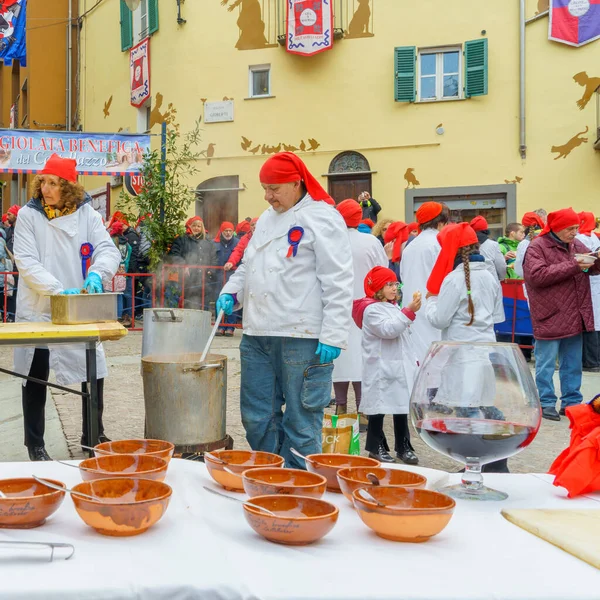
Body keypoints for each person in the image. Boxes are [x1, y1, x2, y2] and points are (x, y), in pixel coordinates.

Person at [216, 152, 353, 469]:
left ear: (296, 183)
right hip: (257, 334)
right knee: (256, 415)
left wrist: (333, 334)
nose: (268, 196)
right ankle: (270, 472)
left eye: (274, 188)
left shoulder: (322, 218)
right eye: (265, 188)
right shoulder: (265, 219)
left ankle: (299, 483)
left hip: (300, 335)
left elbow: (338, 280)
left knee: (301, 419)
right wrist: (231, 292)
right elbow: (248, 267)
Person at [13, 153, 121, 460]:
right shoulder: (28, 216)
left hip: (78, 312)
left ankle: (92, 437)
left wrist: (98, 274)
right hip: (39, 309)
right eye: (43, 182)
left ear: (68, 187)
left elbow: (106, 250)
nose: (45, 189)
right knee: (35, 378)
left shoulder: (88, 215)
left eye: (53, 183)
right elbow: (27, 261)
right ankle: (36, 445)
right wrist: (59, 291)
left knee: (93, 373)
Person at [425, 222, 508, 472]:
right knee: (484, 404)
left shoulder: (454, 279)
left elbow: (440, 318)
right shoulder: (490, 276)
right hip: (484, 350)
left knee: (467, 411)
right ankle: (497, 459)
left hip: (462, 352)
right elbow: (497, 316)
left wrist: (432, 302)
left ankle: (477, 463)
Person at [523, 208, 600, 421]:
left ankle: (571, 402)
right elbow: (537, 276)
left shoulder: (575, 244)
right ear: (557, 228)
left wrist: (597, 260)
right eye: (571, 228)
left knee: (573, 363)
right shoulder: (537, 246)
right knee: (546, 363)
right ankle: (546, 402)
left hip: (575, 313)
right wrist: (575, 265)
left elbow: (590, 268)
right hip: (550, 313)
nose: (575, 232)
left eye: (576, 227)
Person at [352, 266, 421, 464]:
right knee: (378, 408)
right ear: (377, 288)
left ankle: (403, 445)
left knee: (401, 407)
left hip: (398, 365)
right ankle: (375, 446)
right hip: (381, 367)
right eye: (388, 284)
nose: (394, 288)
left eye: (395, 284)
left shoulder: (392, 307)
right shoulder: (371, 310)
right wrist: (408, 312)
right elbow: (388, 329)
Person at [333, 199, 388, 422]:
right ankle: (363, 410)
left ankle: (340, 407)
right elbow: (383, 271)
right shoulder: (371, 242)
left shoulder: (331, 241)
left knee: (339, 357)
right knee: (363, 357)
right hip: (365, 306)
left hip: (336, 305)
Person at [400, 201, 450, 363]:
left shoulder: (409, 247)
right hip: (434, 306)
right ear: (441, 222)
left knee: (417, 360)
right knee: (436, 361)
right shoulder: (439, 244)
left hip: (412, 308)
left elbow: (403, 277)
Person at [168, 216, 218, 311]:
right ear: (189, 226)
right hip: (187, 279)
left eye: (199, 226)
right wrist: (184, 265)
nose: (196, 228)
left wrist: (211, 271)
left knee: (204, 305)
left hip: (204, 279)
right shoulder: (182, 239)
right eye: (194, 225)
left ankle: (203, 325)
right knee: (188, 304)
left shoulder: (208, 242)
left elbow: (214, 258)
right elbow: (174, 254)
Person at [576, 211, 600, 373]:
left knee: (588, 322)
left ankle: (590, 361)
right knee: (596, 321)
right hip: (596, 282)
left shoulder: (579, 239)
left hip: (586, 281)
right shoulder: (595, 237)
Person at [214, 221, 240, 336]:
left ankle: (230, 327)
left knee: (232, 301)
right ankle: (220, 326)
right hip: (219, 277)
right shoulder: (215, 244)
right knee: (219, 301)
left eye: (230, 231)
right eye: (226, 231)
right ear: (222, 231)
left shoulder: (238, 243)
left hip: (233, 277)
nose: (228, 233)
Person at [106, 221, 132, 320]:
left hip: (112, 270)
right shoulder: (127, 243)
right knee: (119, 294)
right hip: (122, 271)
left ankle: (110, 316)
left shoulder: (111, 241)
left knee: (109, 294)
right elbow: (128, 256)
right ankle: (119, 316)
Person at [470, 216, 507, 281]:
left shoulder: (467, 245)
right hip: (491, 281)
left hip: (473, 281)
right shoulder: (493, 244)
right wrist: (501, 278)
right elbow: (501, 265)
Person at [514, 212, 545, 279]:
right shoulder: (549, 238)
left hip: (531, 283)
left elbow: (519, 271)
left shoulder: (524, 244)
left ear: (524, 227)